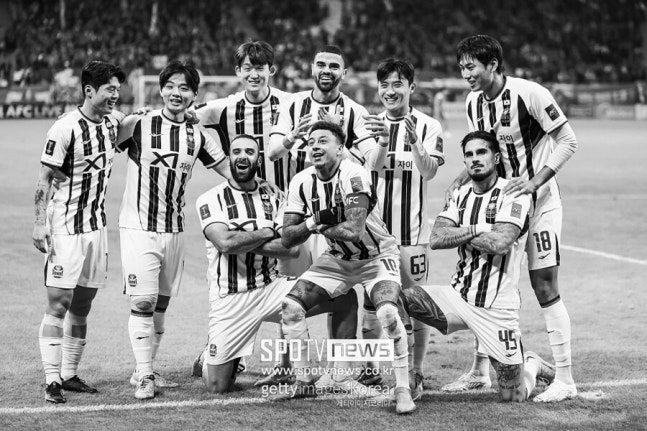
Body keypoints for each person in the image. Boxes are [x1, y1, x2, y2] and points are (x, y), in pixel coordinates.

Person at [444, 34, 578, 402]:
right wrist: (461, 178)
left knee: (544, 286)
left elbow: (568, 141)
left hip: (541, 203)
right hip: (503, 207)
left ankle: (565, 379)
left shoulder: (530, 93)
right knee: (485, 285)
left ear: (492, 64)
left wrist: (534, 182)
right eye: (462, 67)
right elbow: (487, 151)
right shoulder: (473, 102)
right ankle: (478, 372)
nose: (465, 74)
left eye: (470, 66)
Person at [193, 134, 359, 393]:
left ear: (258, 160)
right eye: (237, 151)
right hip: (230, 298)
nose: (242, 156)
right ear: (229, 158)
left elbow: (290, 249)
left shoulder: (275, 197)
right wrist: (269, 231)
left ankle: (341, 374)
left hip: (272, 288)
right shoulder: (210, 199)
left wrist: (241, 240)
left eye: (250, 152)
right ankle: (212, 356)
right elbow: (224, 243)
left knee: (345, 297)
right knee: (217, 386)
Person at [271, 121, 416, 415]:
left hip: (376, 256)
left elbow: (353, 230)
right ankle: (304, 379)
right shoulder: (301, 181)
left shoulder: (354, 173)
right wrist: (315, 220)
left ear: (340, 149)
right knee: (291, 307)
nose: (315, 146)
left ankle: (403, 389)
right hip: (337, 259)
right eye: (311, 141)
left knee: (388, 313)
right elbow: (287, 237)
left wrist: (315, 225)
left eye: (323, 140)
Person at [400, 130, 556, 402]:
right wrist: (479, 228)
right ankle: (410, 377)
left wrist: (459, 231)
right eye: (469, 154)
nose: (475, 159)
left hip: (497, 307)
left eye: (481, 152)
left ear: (495, 158)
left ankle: (532, 364)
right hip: (457, 297)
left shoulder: (514, 193)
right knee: (395, 299)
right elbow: (436, 238)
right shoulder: (460, 195)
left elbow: (500, 243)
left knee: (513, 396)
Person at [116, 60, 230, 400]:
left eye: (184, 88)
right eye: (170, 86)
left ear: (194, 94)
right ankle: (145, 375)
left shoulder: (199, 135)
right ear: (161, 89)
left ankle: (143, 369)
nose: (175, 93)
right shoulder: (138, 124)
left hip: (174, 229)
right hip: (137, 226)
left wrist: (265, 185)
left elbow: (229, 169)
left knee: (161, 305)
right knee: (144, 300)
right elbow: (102, 137)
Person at [32, 60, 125, 404]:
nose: (115, 95)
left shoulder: (112, 123)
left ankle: (69, 374)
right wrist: (39, 222)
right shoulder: (64, 128)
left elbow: (136, 119)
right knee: (59, 303)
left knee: (83, 305)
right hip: (65, 227)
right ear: (89, 90)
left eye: (117, 89)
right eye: (109, 89)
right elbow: (44, 179)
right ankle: (51, 380)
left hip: (96, 228)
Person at [360, 58, 445, 399]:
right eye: (384, 85)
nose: (390, 91)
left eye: (397, 84)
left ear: (411, 87)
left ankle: (417, 370)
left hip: (413, 236)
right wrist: (382, 140)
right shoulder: (369, 124)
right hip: (375, 236)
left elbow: (429, 172)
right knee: (370, 304)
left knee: (415, 303)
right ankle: (369, 371)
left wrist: (415, 143)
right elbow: (371, 166)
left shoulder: (429, 125)